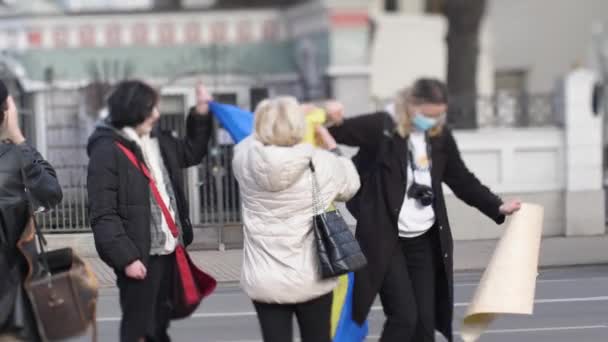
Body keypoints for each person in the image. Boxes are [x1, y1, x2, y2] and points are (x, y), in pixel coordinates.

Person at [325, 78, 522, 342]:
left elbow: (460, 178)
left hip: (425, 239)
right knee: (404, 317)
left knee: (424, 324)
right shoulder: (381, 127)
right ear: (411, 106)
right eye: (429, 115)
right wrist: (328, 114)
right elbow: (333, 131)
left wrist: (497, 205)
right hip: (386, 239)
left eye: (440, 115)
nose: (435, 121)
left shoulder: (439, 137)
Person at [86, 80, 213, 342]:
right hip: (140, 257)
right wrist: (126, 259)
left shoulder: (158, 140)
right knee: (139, 330)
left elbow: (192, 152)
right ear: (132, 110)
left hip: (169, 252)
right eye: (150, 108)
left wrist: (201, 112)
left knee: (158, 328)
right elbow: (103, 214)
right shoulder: (106, 150)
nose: (157, 114)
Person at [233, 96, 361, 342]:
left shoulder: (244, 159)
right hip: (311, 276)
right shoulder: (322, 162)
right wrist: (334, 149)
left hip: (265, 278)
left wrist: (276, 114)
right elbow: (351, 186)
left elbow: (251, 140)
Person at [0, 80, 63, 341]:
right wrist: (18, 137)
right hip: (8, 299)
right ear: (6, 111)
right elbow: (51, 193)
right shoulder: (15, 158)